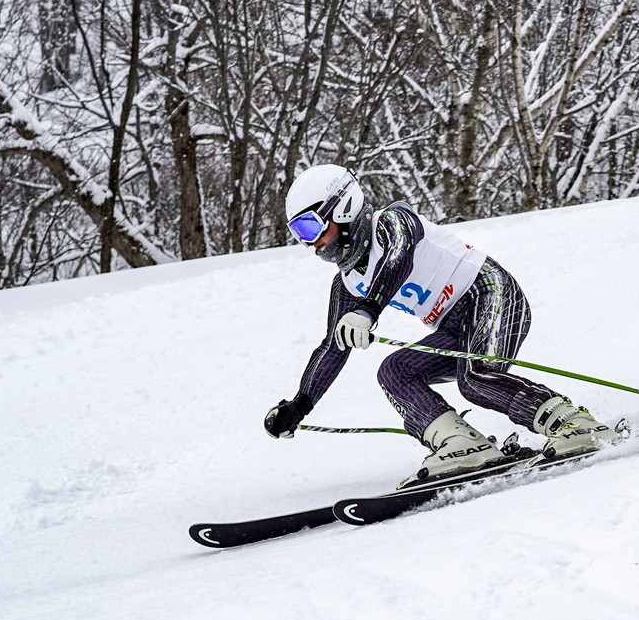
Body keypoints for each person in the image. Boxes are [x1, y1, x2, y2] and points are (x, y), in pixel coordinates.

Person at [263, 164, 618, 486]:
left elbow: (397, 257)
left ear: (343, 209)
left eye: (310, 226)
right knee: (395, 371)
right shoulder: (348, 283)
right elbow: (332, 346)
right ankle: (462, 445)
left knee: (475, 377)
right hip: (454, 326)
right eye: (298, 233)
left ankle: (574, 425)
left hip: (490, 293)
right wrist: (300, 405)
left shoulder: (394, 221)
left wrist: (369, 309)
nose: (310, 243)